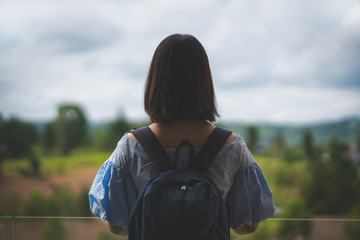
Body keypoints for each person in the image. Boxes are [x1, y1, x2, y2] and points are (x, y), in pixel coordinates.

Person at [89, 34, 275, 237]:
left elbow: (117, 226)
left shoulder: (130, 147)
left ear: (155, 82)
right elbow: (247, 225)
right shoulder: (232, 147)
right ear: (205, 82)